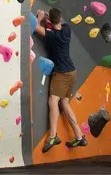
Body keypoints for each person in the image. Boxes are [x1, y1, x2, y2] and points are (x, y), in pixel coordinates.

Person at [33, 8, 87, 152]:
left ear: (51, 19)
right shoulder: (67, 30)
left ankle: (52, 136)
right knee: (64, 102)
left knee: (53, 101)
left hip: (62, 73)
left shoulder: (51, 36)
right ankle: (79, 136)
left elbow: (34, 27)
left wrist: (39, 17)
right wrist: (49, 20)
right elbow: (57, 25)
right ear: (61, 19)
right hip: (72, 72)